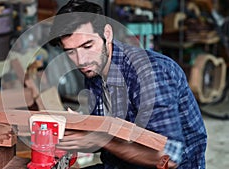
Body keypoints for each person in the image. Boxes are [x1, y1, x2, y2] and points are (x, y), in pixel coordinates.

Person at [48, 0, 207, 169]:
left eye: (88, 46)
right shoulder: (94, 69)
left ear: (107, 34)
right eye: (71, 52)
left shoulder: (149, 74)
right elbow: (111, 137)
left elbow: (170, 158)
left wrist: (98, 138)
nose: (81, 60)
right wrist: (82, 131)